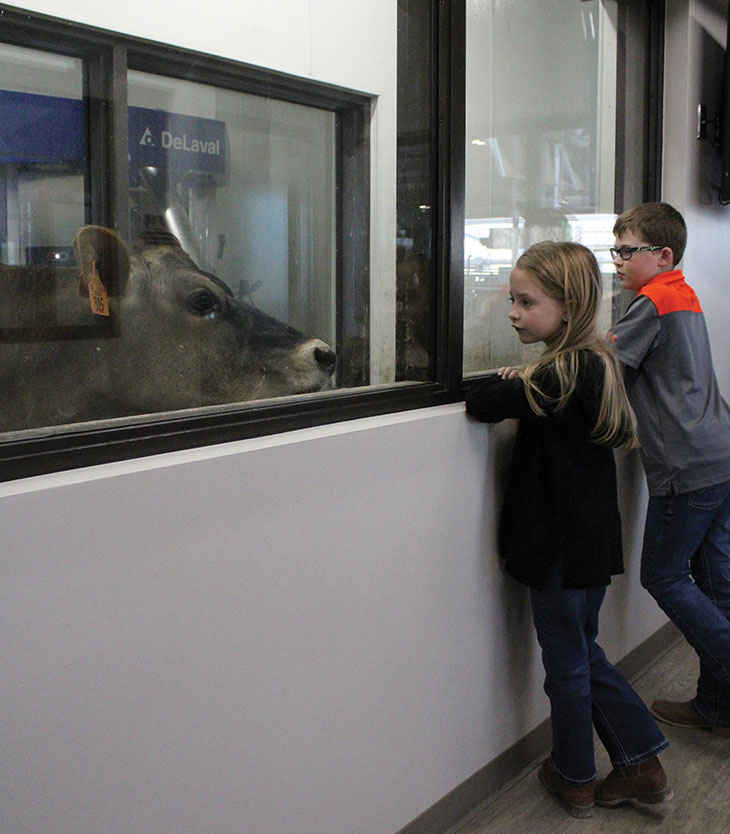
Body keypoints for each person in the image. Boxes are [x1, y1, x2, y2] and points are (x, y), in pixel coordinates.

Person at [465, 241, 672, 818]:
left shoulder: (559, 373)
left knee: (567, 664)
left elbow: (483, 402)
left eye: (526, 302)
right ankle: (642, 764)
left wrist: (516, 379)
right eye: (512, 300)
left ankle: (576, 774)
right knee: (583, 652)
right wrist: (526, 374)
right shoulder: (593, 363)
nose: (512, 313)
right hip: (587, 545)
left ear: (570, 304)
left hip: (556, 548)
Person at [607, 201, 730, 738]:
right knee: (717, 582)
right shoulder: (683, 292)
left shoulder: (652, 300)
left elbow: (606, 365)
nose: (617, 260)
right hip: (719, 453)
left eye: (627, 251)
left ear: (662, 254)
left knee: (663, 574)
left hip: (685, 463)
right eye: (615, 249)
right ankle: (717, 708)